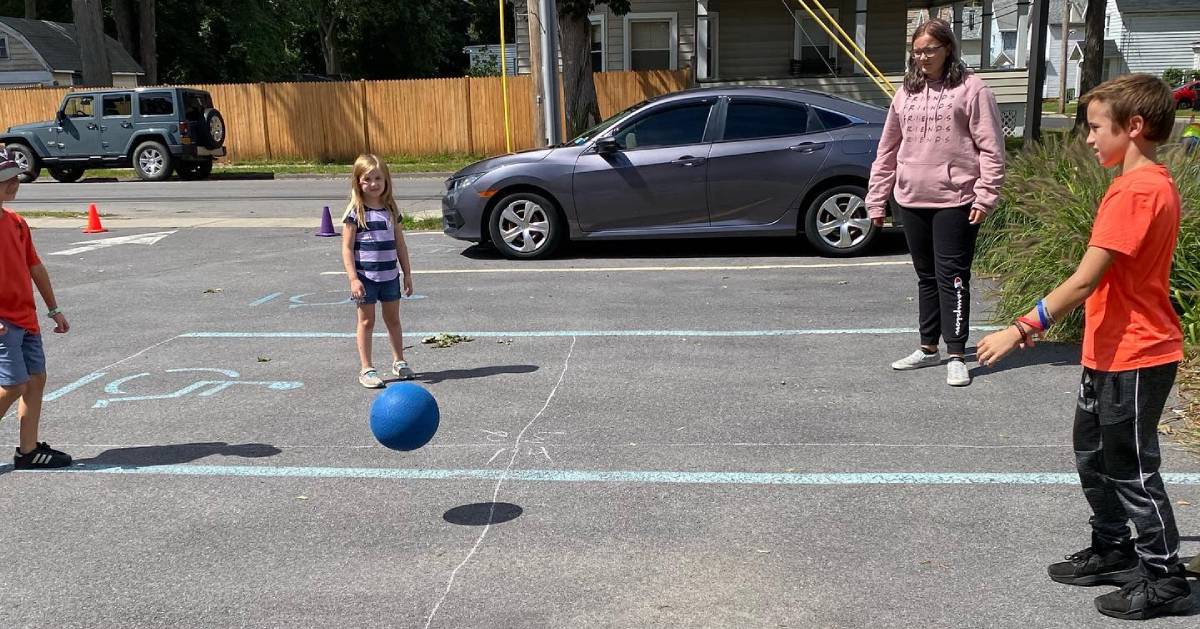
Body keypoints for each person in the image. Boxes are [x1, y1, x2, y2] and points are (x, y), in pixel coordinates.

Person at [977, 74, 1191, 620]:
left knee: (1132, 467)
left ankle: (1165, 579)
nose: (1090, 138)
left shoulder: (1138, 191)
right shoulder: (1140, 184)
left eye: (1097, 127)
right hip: (1108, 348)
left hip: (1138, 353)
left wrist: (1019, 329)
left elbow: (1083, 280)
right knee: (1094, 456)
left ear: (1135, 127)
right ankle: (1115, 548)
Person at [866, 18, 1005, 386]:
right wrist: (877, 197)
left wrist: (985, 194)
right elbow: (888, 149)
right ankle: (928, 348)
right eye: (917, 51)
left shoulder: (973, 90)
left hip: (955, 199)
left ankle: (957, 353)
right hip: (911, 197)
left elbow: (991, 149)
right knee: (925, 276)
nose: (923, 58)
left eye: (930, 50)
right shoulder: (905, 93)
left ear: (948, 49)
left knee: (953, 277)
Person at [0, 150, 73, 469]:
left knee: (35, 379)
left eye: (15, 177)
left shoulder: (16, 223)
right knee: (14, 384)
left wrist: (53, 308)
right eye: (6, 179)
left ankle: (28, 451)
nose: (14, 183)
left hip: (26, 318)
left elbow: (35, 266)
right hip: (3, 322)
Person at [340, 154, 415, 388]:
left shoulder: (391, 209)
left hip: (390, 276)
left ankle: (399, 360)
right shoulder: (356, 211)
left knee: (393, 320)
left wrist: (407, 274)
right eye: (367, 179)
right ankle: (367, 368)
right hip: (365, 278)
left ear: (386, 181)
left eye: (378, 178)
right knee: (366, 322)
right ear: (358, 182)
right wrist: (353, 278)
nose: (373, 184)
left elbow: (400, 244)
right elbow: (346, 248)